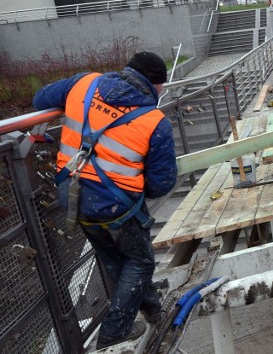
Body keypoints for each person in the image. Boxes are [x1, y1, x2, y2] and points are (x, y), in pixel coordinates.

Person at [33, 52, 178, 349]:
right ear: (154, 84)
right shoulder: (154, 121)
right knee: (140, 260)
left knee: (111, 255)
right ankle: (115, 330)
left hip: (72, 194)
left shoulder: (84, 83)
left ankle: (150, 306)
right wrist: (135, 190)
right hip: (116, 206)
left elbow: (40, 99)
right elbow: (162, 183)